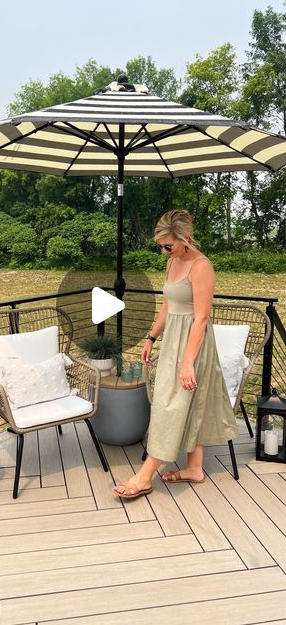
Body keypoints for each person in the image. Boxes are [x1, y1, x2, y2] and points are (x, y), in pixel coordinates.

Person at [113, 209, 238, 498]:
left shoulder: (201, 266)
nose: (163, 251)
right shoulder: (172, 263)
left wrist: (187, 363)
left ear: (186, 239)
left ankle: (145, 476)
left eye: (168, 245)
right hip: (172, 342)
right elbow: (168, 305)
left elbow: (201, 318)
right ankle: (195, 468)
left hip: (193, 345)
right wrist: (151, 338)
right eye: (160, 245)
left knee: (172, 406)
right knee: (186, 403)